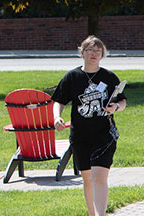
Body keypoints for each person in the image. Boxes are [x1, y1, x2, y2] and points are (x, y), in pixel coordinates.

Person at [52, 36, 128, 216]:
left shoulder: (109, 77)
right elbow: (59, 101)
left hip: (104, 134)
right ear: (82, 52)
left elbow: (122, 101)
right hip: (80, 135)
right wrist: (57, 117)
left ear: (102, 54)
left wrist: (115, 107)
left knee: (99, 177)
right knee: (88, 179)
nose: (93, 54)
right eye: (89, 50)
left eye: (97, 51)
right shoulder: (72, 77)